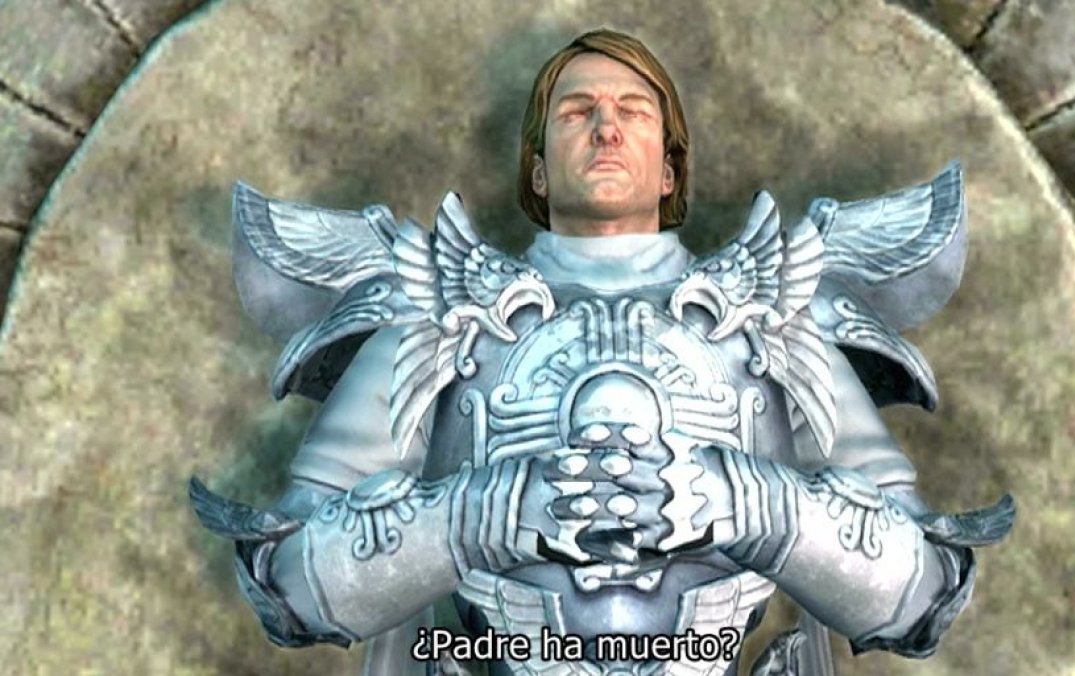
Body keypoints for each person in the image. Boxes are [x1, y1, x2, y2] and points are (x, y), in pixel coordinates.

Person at [190, 28, 1014, 676]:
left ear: (671, 170)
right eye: (577, 111)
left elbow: (918, 592)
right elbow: (291, 586)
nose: (607, 126)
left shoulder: (775, 318)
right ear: (538, 171)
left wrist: (751, 508)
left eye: (634, 110)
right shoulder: (438, 314)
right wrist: (481, 517)